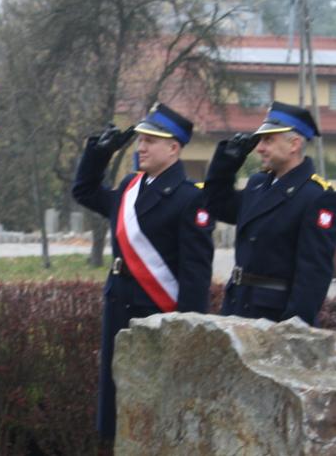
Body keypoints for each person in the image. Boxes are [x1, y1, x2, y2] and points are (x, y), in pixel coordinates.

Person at [70, 102, 213, 445]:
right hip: (119, 304)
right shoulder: (129, 188)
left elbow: (195, 274)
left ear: (174, 148)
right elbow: (84, 191)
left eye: (151, 140)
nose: (141, 147)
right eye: (140, 140)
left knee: (157, 406)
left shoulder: (190, 198)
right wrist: (99, 153)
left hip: (157, 313)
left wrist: (188, 330)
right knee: (115, 404)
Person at [202, 101, 336, 326]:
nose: (259, 147)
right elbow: (214, 203)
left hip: (275, 317)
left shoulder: (317, 197)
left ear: (294, 144)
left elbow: (313, 275)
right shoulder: (258, 185)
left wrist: (295, 328)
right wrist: (228, 160)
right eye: (260, 140)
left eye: (269, 139)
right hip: (237, 306)